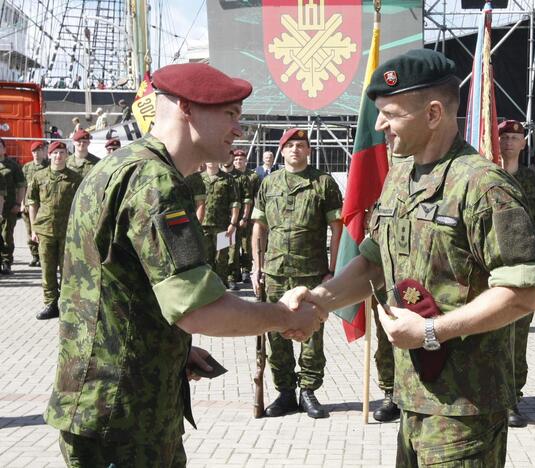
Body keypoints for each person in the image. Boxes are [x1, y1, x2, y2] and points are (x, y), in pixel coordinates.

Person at [44, 62, 326, 467]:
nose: (238, 129)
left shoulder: (120, 166)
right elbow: (200, 310)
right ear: (186, 109)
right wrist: (283, 315)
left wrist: (174, 348)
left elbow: (121, 289)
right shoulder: (154, 182)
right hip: (124, 419)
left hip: (105, 402)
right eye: (229, 115)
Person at [286, 49, 535, 465]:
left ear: (432, 114)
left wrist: (431, 332)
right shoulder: (399, 178)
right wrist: (319, 300)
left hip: (464, 410)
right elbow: (373, 263)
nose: (379, 125)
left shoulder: (483, 186)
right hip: (413, 400)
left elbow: (523, 294)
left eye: (390, 113)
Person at [251, 128, 344, 419]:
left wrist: (333, 270)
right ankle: (285, 393)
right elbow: (259, 228)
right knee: (275, 333)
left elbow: (337, 229)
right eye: (290, 145)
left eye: (301, 145)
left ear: (309, 151)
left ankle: (308, 391)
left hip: (311, 272)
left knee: (311, 333)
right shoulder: (269, 183)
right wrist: (257, 267)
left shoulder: (323, 183)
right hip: (276, 272)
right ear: (282, 151)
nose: (295, 150)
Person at [497, 120, 535, 428]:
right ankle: (489, 397)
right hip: (489, 273)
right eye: (503, 136)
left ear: (523, 143)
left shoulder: (534, 181)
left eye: (514, 137)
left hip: (522, 272)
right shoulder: (485, 176)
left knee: (517, 341)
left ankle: (512, 399)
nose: (508, 141)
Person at [28, 142, 83, 320]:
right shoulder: (39, 176)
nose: (58, 156)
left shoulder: (75, 178)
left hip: (67, 231)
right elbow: (32, 203)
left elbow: (81, 205)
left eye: (61, 152)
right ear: (49, 155)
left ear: (67, 155)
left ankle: (68, 304)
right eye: (55, 153)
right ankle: (51, 304)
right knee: (47, 269)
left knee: (67, 270)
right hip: (44, 230)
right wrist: (34, 227)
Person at [201, 160, 240, 289]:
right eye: (208, 158)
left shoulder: (228, 179)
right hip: (202, 225)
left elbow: (235, 202)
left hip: (222, 225)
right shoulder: (198, 179)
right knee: (205, 257)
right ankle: (207, 287)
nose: (211, 161)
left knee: (222, 257)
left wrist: (233, 223)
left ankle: (221, 287)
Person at [229, 149, 260, 283]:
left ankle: (246, 270)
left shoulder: (253, 177)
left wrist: (252, 216)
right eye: (235, 159)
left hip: (248, 216)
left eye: (240, 160)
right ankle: (233, 271)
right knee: (231, 245)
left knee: (246, 244)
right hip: (231, 217)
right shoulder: (229, 176)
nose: (238, 162)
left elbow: (257, 197)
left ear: (245, 161)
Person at [0, 137, 25, 275]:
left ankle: (6, 262)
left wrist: (18, 203)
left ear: (4, 149)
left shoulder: (12, 165)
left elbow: (21, 185)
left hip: (9, 207)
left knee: (6, 235)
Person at [22, 141, 50, 267]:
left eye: (39, 151)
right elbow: (22, 187)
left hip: (43, 204)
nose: (36, 154)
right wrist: (22, 202)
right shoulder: (27, 167)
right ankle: (35, 256)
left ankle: (44, 255)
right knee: (30, 231)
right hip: (29, 204)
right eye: (34, 151)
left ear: (43, 152)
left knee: (43, 231)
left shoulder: (48, 166)